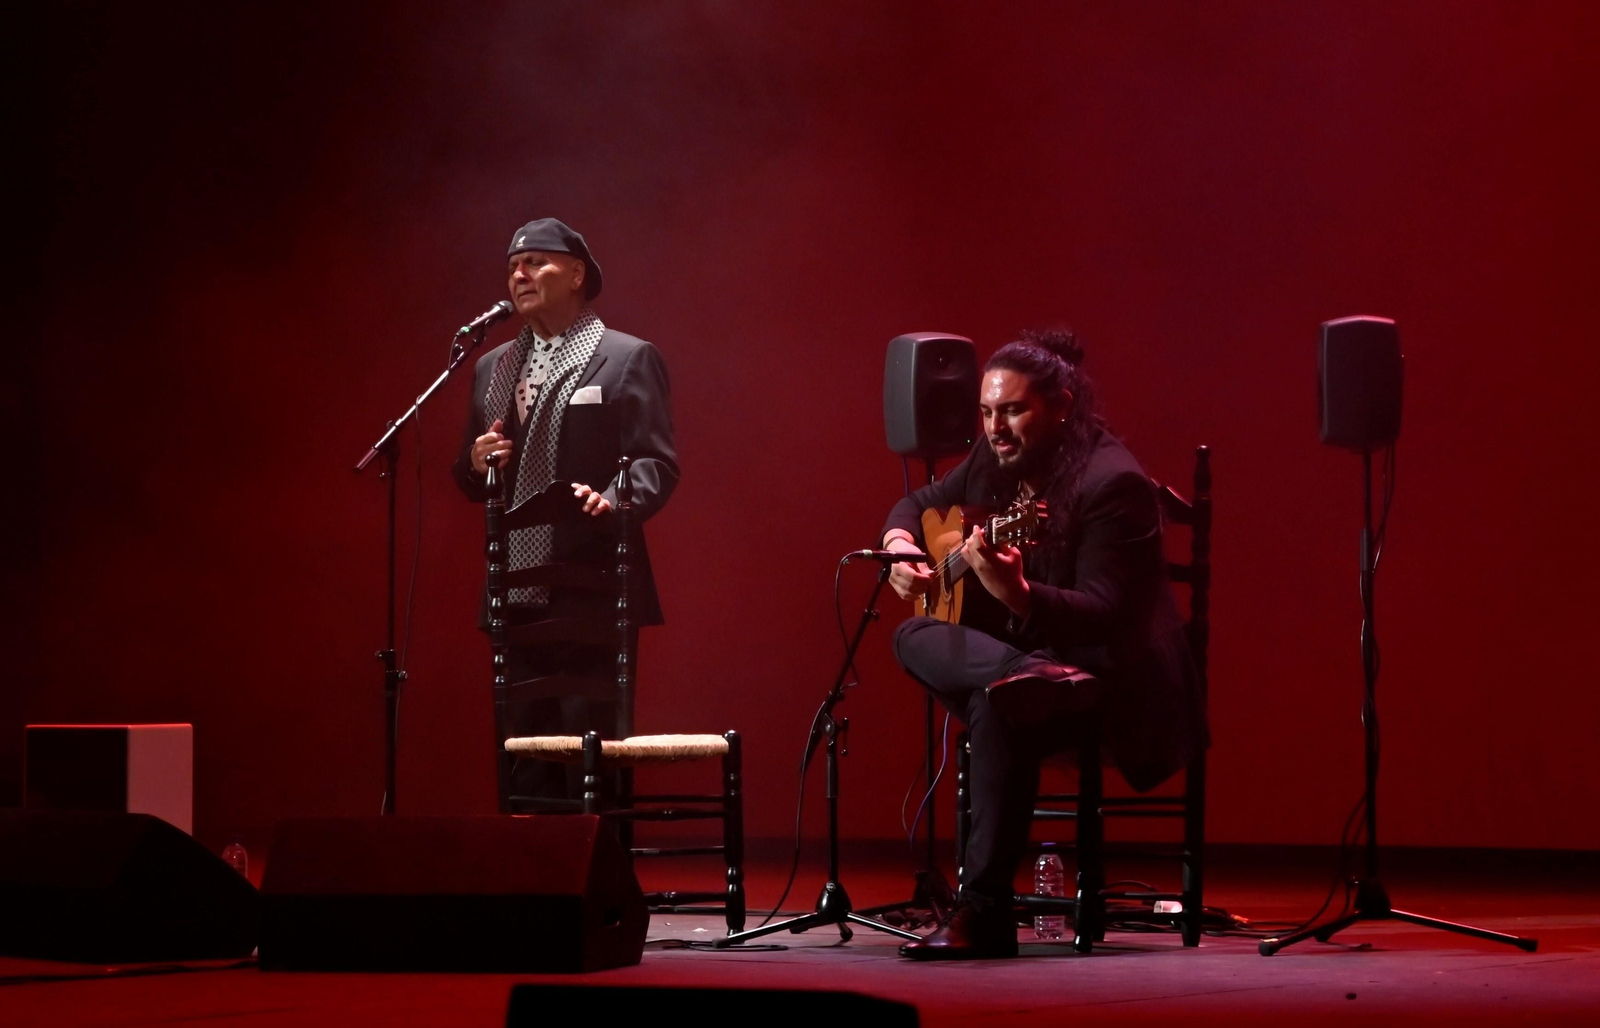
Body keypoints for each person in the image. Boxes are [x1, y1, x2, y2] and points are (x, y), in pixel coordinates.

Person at [882, 328, 1208, 960]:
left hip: (1113, 684)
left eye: (1011, 411)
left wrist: (1021, 596)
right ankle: (1028, 676)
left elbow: (1107, 617)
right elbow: (919, 501)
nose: (994, 429)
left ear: (1061, 406)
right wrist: (901, 545)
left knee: (1001, 704)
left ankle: (984, 913)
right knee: (916, 636)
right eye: (986, 412)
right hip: (1038, 670)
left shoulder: (1112, 483)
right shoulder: (995, 456)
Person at [452, 217, 678, 801]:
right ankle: (535, 862)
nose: (519, 275)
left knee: (591, 757)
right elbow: (470, 479)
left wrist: (616, 498)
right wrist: (476, 462)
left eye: (536, 262)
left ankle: (599, 861)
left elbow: (655, 462)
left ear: (577, 275)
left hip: (595, 588)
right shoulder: (493, 367)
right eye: (512, 267)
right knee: (525, 761)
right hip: (515, 590)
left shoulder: (626, 357)